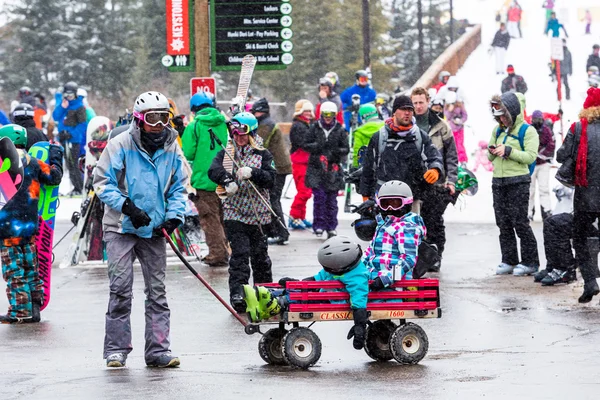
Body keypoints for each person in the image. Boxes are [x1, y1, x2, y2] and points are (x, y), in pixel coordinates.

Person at [93, 91, 187, 368]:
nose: (158, 126)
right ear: (139, 119)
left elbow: (179, 187)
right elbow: (102, 182)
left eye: (163, 118)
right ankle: (116, 349)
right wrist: (127, 207)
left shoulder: (172, 148)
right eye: (151, 119)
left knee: (157, 292)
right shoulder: (120, 144)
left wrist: (173, 218)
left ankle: (158, 350)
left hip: (154, 229)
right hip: (121, 227)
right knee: (120, 289)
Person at [243, 236, 370, 350]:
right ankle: (265, 296)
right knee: (297, 293)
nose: (328, 270)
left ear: (341, 266)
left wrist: (360, 327)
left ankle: (272, 303)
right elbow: (317, 278)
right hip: (322, 294)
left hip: (329, 301)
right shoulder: (337, 268)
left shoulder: (358, 278)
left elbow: (359, 302)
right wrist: (298, 283)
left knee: (298, 299)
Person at [208, 112, 276, 313]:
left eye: (243, 133)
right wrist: (226, 180)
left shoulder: (263, 153)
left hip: (258, 214)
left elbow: (271, 179)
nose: (238, 137)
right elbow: (213, 170)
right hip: (235, 212)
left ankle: (265, 292)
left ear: (252, 133)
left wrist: (253, 173)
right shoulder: (227, 152)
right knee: (239, 254)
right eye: (235, 133)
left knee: (259, 256)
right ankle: (238, 293)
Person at [0, 124, 63, 324]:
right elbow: (54, 177)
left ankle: (20, 311)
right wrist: (55, 156)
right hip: (29, 227)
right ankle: (35, 306)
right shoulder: (34, 163)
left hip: (6, 229)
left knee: (14, 272)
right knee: (30, 269)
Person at [359, 95, 444, 207]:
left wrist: (435, 169)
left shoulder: (420, 136)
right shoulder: (379, 137)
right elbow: (368, 168)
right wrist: (365, 195)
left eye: (410, 110)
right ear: (394, 112)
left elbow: (434, 156)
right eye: (403, 109)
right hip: (384, 199)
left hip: (412, 198)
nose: (407, 113)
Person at [556, 87, 600, 303]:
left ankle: (590, 280)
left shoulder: (578, 128)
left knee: (581, 239)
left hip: (585, 195)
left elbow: (561, 155)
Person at [488, 92, 540, 276]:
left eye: (503, 115)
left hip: (518, 180)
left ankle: (531, 261)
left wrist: (509, 151)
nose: (501, 119)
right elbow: (490, 156)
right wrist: (493, 151)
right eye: (498, 116)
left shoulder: (528, 130)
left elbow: (531, 157)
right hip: (498, 180)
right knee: (503, 222)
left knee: (520, 222)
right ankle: (509, 259)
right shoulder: (497, 130)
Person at [181, 91, 230, 267]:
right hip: (225, 178)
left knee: (210, 219)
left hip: (204, 179)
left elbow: (187, 153)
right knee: (225, 217)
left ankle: (217, 254)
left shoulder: (194, 127)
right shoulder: (225, 122)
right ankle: (228, 249)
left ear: (194, 109)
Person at [412, 87, 458, 269]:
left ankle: (435, 256)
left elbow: (451, 156)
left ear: (428, 102)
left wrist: (451, 180)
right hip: (414, 182)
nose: (418, 106)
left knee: (434, 221)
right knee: (415, 221)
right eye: (415, 103)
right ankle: (419, 257)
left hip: (437, 182)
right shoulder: (408, 125)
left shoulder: (441, 126)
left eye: (421, 102)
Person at [364, 180, 426, 288]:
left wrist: (386, 279)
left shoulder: (406, 228)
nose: (390, 208)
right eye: (385, 204)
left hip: (395, 286)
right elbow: (370, 252)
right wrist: (356, 269)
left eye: (395, 204)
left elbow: (408, 259)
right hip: (373, 279)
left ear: (407, 203)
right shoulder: (382, 225)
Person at [303, 101, 349, 238]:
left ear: (335, 115)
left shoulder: (340, 130)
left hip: (332, 169)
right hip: (316, 168)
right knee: (319, 198)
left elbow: (346, 148)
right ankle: (318, 225)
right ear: (321, 114)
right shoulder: (314, 128)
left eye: (331, 114)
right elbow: (305, 144)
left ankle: (331, 226)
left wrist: (335, 151)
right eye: (325, 114)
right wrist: (317, 146)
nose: (328, 117)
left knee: (331, 200)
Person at [251, 98, 292, 245]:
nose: (254, 114)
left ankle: (281, 232)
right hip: (278, 166)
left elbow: (258, 143)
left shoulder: (266, 124)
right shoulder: (266, 122)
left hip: (278, 167)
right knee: (271, 199)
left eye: (255, 111)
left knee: (273, 200)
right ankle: (275, 232)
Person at [52, 81, 88, 196]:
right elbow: (56, 116)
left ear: (75, 94)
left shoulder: (79, 106)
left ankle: (79, 187)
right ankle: (74, 186)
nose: (69, 98)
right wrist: (62, 107)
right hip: (63, 137)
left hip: (73, 140)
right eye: (67, 95)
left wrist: (71, 133)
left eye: (71, 95)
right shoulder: (63, 104)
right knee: (66, 164)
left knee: (73, 163)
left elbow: (83, 124)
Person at [288, 100, 315, 230]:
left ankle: (301, 216)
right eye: (306, 111)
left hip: (306, 162)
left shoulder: (307, 124)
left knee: (304, 191)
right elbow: (303, 143)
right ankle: (294, 216)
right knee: (304, 192)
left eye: (310, 111)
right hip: (300, 162)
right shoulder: (299, 126)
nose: (309, 113)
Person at [528, 110, 555, 221]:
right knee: (530, 190)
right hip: (531, 164)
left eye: (539, 119)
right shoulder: (529, 130)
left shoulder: (546, 130)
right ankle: (529, 211)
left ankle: (546, 210)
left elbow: (551, 145)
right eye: (535, 119)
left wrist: (542, 154)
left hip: (543, 164)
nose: (537, 121)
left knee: (544, 189)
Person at [352, 103, 384, 168]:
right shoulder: (386, 127)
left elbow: (357, 152)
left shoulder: (360, 132)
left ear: (363, 117)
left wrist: (355, 167)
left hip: (367, 167)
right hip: (384, 166)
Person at [444, 92, 469, 166]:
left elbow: (465, 115)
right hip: (451, 129)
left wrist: (460, 121)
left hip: (459, 128)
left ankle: (463, 160)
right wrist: (450, 110)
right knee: (452, 146)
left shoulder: (460, 105)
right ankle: (453, 161)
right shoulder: (447, 106)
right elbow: (446, 117)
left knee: (459, 144)